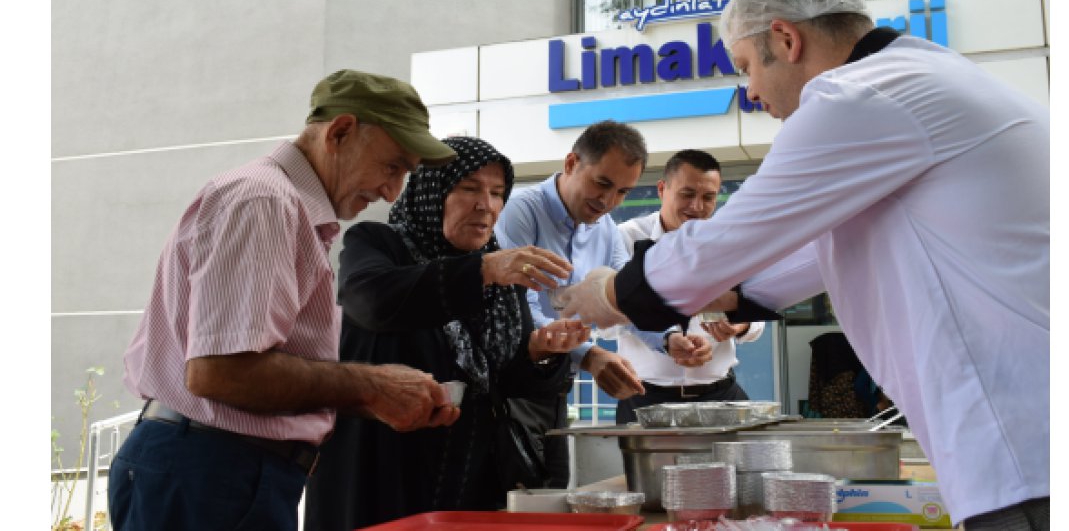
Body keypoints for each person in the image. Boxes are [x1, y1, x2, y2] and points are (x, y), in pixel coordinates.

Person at [559, 0, 1049, 530]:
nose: (750, 92)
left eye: (745, 67)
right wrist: (716, 296)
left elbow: (732, 238)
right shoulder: (929, 82)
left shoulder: (859, 98)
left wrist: (610, 293)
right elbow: (801, 259)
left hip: (1025, 442)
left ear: (786, 38)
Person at [108, 70, 463, 531]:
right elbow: (221, 372)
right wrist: (371, 386)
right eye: (392, 166)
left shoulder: (282, 203)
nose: (390, 192)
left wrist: (376, 397)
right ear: (340, 132)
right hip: (210, 470)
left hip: (219, 469)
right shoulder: (266, 201)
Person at [303, 136, 590, 528]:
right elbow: (370, 300)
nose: (485, 205)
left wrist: (539, 352)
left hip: (470, 480)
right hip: (383, 471)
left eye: (497, 193)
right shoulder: (378, 243)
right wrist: (482, 271)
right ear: (430, 191)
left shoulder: (500, 275)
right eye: (469, 188)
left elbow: (502, 384)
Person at [494, 119, 710, 487]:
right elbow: (517, 310)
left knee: (554, 497)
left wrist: (670, 338)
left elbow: (626, 300)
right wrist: (590, 355)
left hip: (556, 385)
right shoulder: (520, 211)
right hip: (509, 386)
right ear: (570, 163)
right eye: (602, 183)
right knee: (515, 503)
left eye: (623, 192)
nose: (608, 201)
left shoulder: (606, 228)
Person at [611, 149, 765, 425]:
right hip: (646, 398)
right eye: (687, 194)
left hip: (721, 396)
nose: (697, 206)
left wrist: (738, 324)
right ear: (662, 189)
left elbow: (756, 315)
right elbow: (607, 320)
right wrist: (665, 338)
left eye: (708, 197)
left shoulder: (728, 242)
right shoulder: (626, 239)